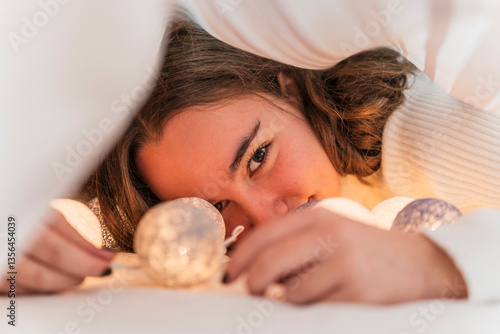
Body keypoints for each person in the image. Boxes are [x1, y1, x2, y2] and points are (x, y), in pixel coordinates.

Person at [81, 21, 500, 304]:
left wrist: (437, 263)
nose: (267, 218)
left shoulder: (432, 133)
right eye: (214, 208)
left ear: (292, 89)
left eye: (258, 157)